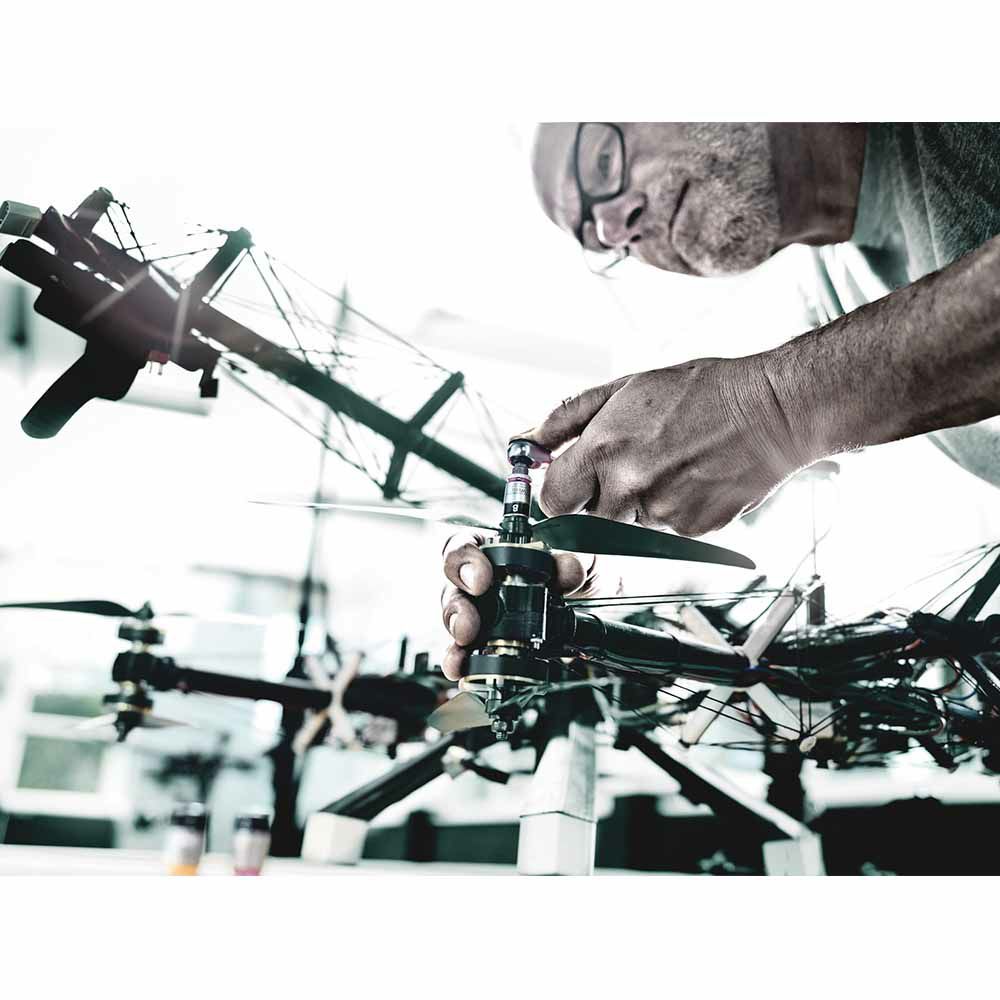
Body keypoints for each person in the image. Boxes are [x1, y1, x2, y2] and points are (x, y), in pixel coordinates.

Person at [440, 122, 1000, 680]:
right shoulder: (831, 300)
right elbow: (722, 504)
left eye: (604, 162)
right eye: (601, 242)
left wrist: (772, 409)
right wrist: (581, 571)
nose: (613, 227)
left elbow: (773, 398)